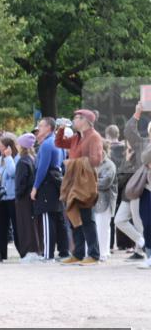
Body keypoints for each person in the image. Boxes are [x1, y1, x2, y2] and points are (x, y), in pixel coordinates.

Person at [54, 109, 104, 265]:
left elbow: (96, 160)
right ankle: (78, 253)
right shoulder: (76, 137)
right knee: (73, 216)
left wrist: (72, 163)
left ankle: (94, 254)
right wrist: (61, 128)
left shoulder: (94, 137)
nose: (74, 121)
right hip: (72, 180)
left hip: (85, 181)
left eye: (77, 118)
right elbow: (59, 143)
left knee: (87, 218)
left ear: (86, 121)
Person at [31, 117, 68, 261]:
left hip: (47, 184)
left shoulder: (47, 144)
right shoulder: (58, 143)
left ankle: (48, 254)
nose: (38, 129)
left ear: (48, 128)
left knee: (47, 218)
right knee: (59, 218)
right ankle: (64, 251)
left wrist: (35, 187)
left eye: (40, 126)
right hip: (57, 181)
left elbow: (42, 168)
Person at [115, 102, 146, 259]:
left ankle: (145, 252)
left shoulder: (143, 145)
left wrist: (137, 114)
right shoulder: (143, 145)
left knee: (140, 222)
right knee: (120, 220)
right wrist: (137, 114)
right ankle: (142, 244)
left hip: (142, 191)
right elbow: (129, 130)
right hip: (133, 191)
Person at [13, 133, 40, 262]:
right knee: (32, 224)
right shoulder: (33, 158)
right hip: (31, 196)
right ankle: (35, 249)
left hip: (23, 198)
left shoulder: (22, 161)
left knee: (25, 224)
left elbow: (20, 183)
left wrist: (17, 196)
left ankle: (29, 251)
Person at [0, 138, 18, 261]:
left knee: (16, 225)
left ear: (8, 147)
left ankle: (22, 251)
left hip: (12, 197)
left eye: (1, 146)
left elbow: (13, 172)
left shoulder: (15, 158)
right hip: (1, 197)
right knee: (0, 227)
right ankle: (1, 254)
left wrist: (8, 157)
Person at [93, 141, 117, 262]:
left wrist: (90, 182)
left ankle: (103, 253)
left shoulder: (109, 165)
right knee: (99, 227)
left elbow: (105, 182)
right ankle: (103, 252)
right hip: (94, 200)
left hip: (105, 200)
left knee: (103, 227)